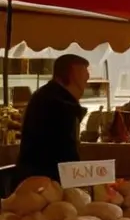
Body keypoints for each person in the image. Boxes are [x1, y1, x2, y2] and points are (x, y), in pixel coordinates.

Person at [16, 54, 90, 183]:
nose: (88, 77)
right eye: (84, 70)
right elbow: (65, 154)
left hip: (40, 179)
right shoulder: (56, 102)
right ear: (72, 72)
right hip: (42, 183)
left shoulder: (51, 95)